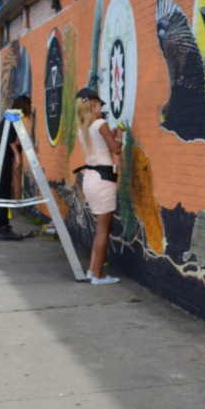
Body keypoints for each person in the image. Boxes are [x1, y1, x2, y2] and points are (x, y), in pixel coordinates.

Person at [75, 87, 121, 285]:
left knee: (101, 228)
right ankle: (99, 275)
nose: (101, 107)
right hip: (103, 180)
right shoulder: (101, 124)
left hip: (90, 178)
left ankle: (92, 271)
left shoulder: (83, 128)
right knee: (103, 230)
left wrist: (108, 135)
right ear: (92, 104)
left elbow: (100, 146)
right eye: (99, 104)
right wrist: (118, 134)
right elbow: (117, 149)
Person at [0, 94, 32, 241]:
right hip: (2, 157)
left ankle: (1, 227)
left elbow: (12, 139)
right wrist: (17, 156)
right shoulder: (15, 117)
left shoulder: (10, 117)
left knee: (0, 191)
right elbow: (10, 141)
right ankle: (2, 228)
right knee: (2, 192)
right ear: (24, 105)